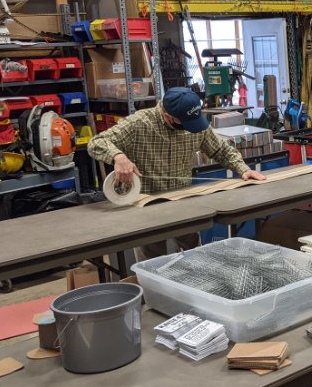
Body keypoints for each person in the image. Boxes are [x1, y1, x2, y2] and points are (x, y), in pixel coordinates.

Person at [88, 87, 265, 259]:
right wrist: (118, 156)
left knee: (196, 257)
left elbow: (221, 150)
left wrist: (244, 169)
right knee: (153, 263)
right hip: (147, 205)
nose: (191, 128)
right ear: (167, 116)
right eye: (185, 124)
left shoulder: (195, 124)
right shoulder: (139, 123)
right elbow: (96, 142)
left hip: (182, 203)